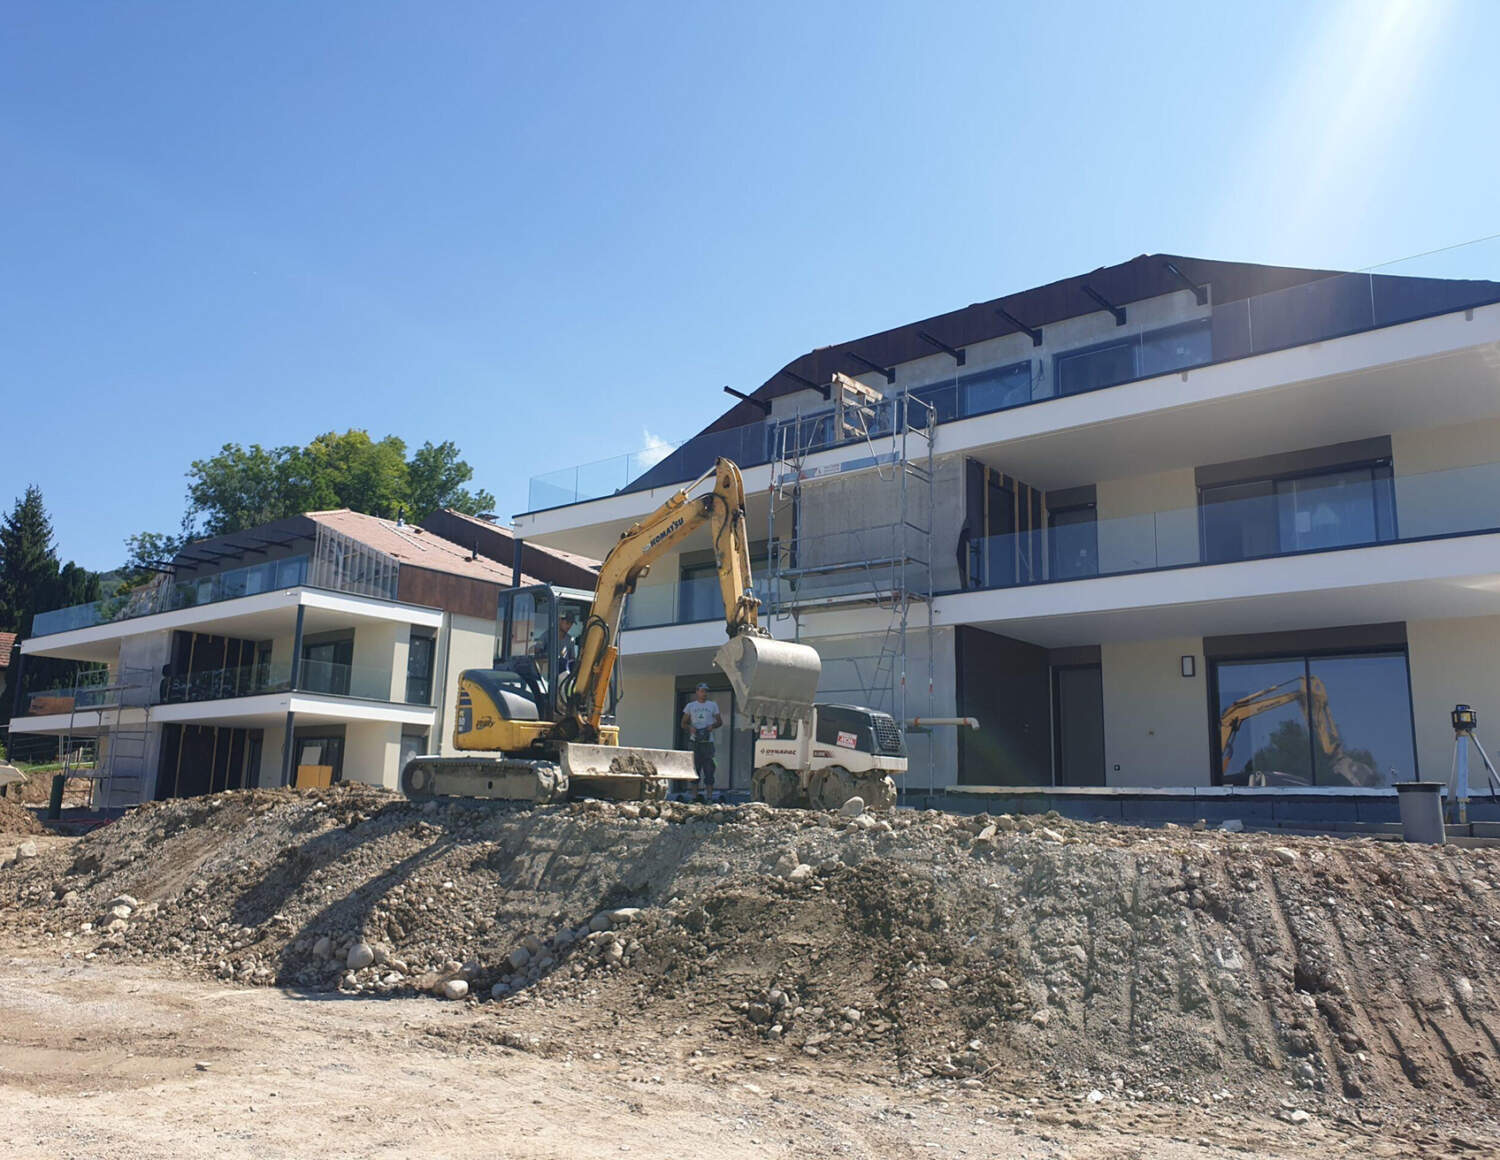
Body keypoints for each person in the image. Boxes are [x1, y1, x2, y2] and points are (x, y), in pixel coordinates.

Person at [680, 682, 722, 799]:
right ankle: (694, 797)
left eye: (706, 691)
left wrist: (711, 727)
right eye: (702, 691)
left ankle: (709, 797)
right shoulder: (691, 706)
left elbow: (719, 721)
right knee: (695, 769)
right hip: (695, 741)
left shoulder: (712, 705)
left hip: (708, 742)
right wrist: (691, 728)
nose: (704, 694)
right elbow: (683, 723)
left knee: (709, 769)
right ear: (697, 692)